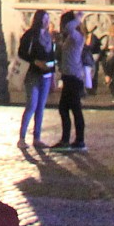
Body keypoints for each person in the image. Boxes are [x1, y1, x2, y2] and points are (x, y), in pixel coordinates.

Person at [16, 9, 56, 147]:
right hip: (32, 73)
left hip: (46, 75)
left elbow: (52, 57)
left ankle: (37, 138)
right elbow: (21, 52)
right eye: (44, 19)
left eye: (48, 19)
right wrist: (35, 61)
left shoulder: (49, 37)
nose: (46, 22)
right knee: (31, 105)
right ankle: (21, 138)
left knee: (41, 107)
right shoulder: (30, 35)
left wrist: (53, 76)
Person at [53, 9, 88, 151]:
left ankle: (74, 141)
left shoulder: (77, 36)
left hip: (73, 77)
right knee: (68, 109)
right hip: (70, 76)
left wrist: (77, 18)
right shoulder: (72, 37)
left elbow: (68, 28)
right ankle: (71, 140)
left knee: (71, 109)